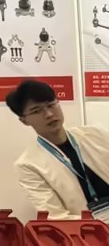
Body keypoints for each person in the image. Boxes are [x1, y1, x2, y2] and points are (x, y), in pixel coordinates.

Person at [6, 79, 109, 219]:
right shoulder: (28, 165)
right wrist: (101, 223)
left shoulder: (95, 134)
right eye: (37, 111)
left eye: (51, 105)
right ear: (24, 120)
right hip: (86, 230)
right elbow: (55, 216)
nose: (49, 114)